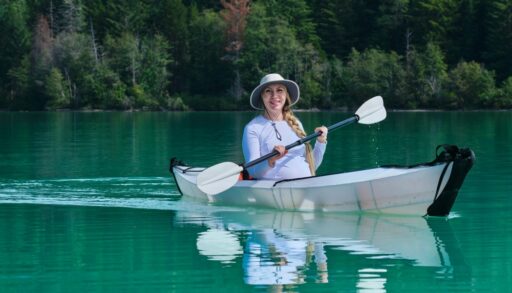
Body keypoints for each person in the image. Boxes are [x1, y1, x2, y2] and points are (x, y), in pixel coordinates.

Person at [242, 73, 328, 180]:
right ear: (262, 97)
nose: (274, 96)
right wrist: (271, 160)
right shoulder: (252, 128)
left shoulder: (296, 123)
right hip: (274, 191)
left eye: (280, 90)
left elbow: (312, 166)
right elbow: (253, 172)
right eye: (268, 91)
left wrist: (321, 142)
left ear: (286, 95)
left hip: (307, 186)